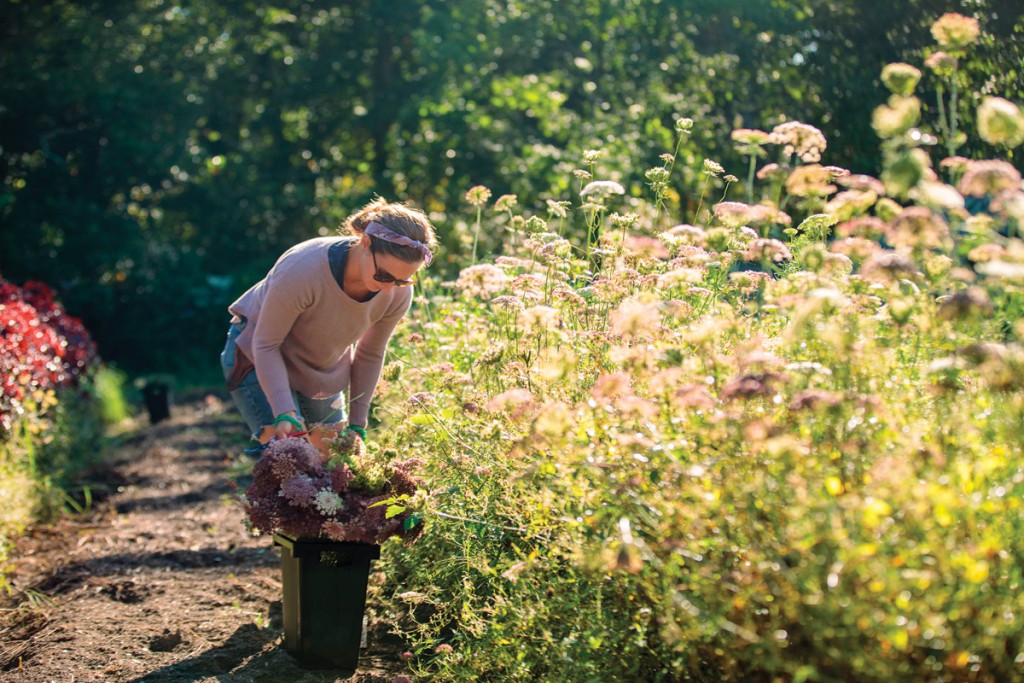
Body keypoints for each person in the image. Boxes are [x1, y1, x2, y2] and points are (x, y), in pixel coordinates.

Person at [220, 197, 437, 445]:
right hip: (257, 358)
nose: (389, 289)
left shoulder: (397, 293)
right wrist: (285, 413)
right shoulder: (303, 269)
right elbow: (266, 344)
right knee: (289, 463)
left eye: (401, 281)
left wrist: (357, 423)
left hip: (320, 369)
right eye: (383, 275)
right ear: (365, 243)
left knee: (334, 461)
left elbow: (370, 353)